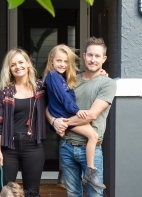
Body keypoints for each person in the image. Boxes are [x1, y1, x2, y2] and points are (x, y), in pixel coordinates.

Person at [50, 37, 117, 197]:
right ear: (84, 57)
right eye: (89, 55)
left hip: (92, 149)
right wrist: (53, 122)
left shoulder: (107, 83)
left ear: (104, 59)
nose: (93, 59)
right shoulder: (71, 79)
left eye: (98, 56)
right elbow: (51, 106)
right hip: (67, 147)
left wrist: (64, 122)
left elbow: (91, 115)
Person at [0, 48, 46, 197]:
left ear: (28, 64)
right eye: (13, 64)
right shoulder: (4, 92)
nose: (18, 66)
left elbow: (63, 85)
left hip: (34, 146)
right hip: (10, 147)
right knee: (7, 193)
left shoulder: (41, 88)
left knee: (32, 195)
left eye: (21, 62)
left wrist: (99, 73)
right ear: (9, 68)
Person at [43, 44, 105, 189]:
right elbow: (64, 98)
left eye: (65, 62)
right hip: (65, 115)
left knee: (92, 136)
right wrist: (76, 111)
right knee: (93, 136)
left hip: (65, 114)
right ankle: (90, 172)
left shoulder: (60, 76)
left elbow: (76, 79)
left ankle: (86, 172)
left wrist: (98, 73)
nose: (62, 64)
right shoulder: (52, 76)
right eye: (59, 61)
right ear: (51, 60)